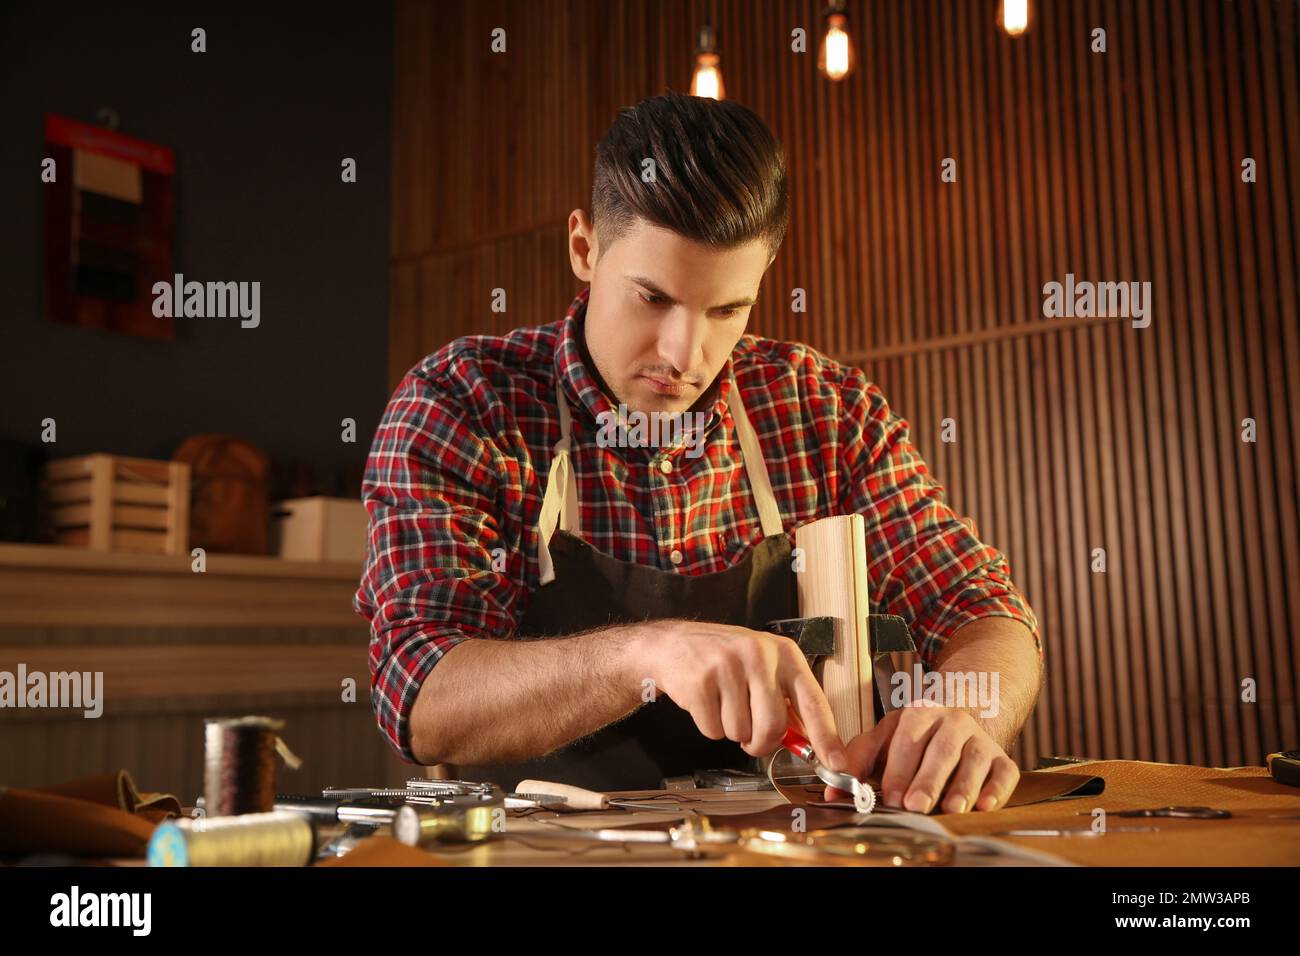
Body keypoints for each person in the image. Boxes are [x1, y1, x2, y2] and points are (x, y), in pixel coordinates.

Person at [355, 92, 1043, 814]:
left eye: (726, 311)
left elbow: (979, 607)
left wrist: (970, 714)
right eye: (652, 299)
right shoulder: (463, 402)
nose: (686, 356)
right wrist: (645, 656)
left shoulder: (825, 409)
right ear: (584, 249)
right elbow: (419, 691)